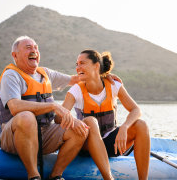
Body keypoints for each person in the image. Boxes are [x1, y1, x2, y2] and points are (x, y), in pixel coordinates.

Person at [0, 36, 120, 180]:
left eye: (36, 47)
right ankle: (33, 175)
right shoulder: (11, 75)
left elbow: (76, 79)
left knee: (80, 129)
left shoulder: (45, 74)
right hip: (13, 137)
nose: (34, 50)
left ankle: (56, 175)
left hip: (44, 133)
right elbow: (15, 107)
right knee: (26, 117)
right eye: (28, 47)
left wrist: (101, 76)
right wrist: (53, 106)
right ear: (15, 55)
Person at [62, 49, 150, 180]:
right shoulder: (76, 90)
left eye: (82, 63)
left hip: (111, 144)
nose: (77, 67)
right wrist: (71, 121)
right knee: (90, 121)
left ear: (96, 66)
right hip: (86, 147)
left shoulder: (113, 85)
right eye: (77, 64)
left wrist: (125, 127)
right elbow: (59, 116)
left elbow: (136, 110)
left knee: (141, 125)